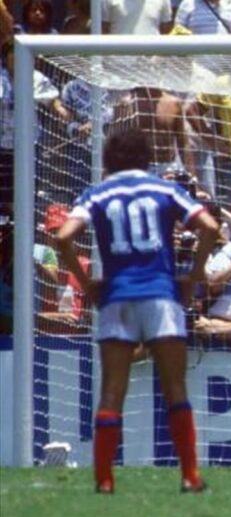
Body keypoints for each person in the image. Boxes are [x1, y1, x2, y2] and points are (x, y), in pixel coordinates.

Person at [53, 128, 220, 493]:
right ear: (147, 156)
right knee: (175, 386)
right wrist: (194, 274)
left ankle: (104, 480)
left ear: (109, 159)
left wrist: (86, 281)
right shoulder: (164, 189)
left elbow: (63, 237)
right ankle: (190, 476)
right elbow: (209, 226)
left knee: (112, 389)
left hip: (116, 297)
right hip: (161, 295)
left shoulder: (98, 193)